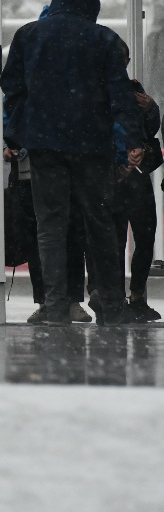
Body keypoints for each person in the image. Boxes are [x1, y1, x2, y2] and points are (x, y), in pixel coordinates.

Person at [0, 0, 144, 325]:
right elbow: (120, 95)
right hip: (91, 146)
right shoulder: (104, 39)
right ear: (91, 3)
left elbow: (11, 87)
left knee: (50, 226)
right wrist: (134, 140)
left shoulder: (29, 35)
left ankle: (55, 304)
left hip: (45, 146)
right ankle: (111, 304)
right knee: (99, 224)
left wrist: (20, 133)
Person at [111, 44, 162, 321]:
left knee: (140, 237)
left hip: (132, 175)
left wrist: (151, 107)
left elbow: (150, 128)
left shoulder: (132, 89)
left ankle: (132, 296)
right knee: (121, 238)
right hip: (122, 174)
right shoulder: (101, 89)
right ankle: (125, 296)